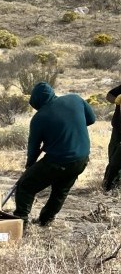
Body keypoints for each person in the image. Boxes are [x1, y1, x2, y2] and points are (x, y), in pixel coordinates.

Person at [12, 81, 95, 230]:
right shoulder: (75, 99)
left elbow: (33, 146)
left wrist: (30, 164)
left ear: (36, 101)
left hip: (58, 161)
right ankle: (45, 221)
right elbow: (91, 119)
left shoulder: (39, 118)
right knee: (60, 191)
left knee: (25, 186)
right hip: (81, 159)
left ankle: (20, 222)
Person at [102, 83, 121, 192]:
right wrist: (116, 99)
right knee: (113, 153)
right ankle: (110, 184)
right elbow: (109, 95)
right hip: (118, 128)